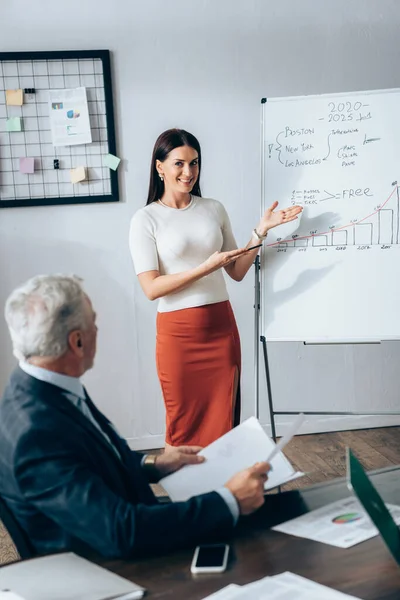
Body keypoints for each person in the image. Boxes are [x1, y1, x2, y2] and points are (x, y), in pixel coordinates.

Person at [0, 274, 271, 560]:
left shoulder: (41, 387)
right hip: (109, 566)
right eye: (93, 322)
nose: (97, 329)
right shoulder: (36, 433)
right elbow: (122, 531)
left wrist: (152, 464)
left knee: (271, 509)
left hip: (121, 530)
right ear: (76, 342)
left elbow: (83, 464)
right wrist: (230, 500)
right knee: (261, 533)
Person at [129, 128, 302, 448]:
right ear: (159, 167)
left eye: (194, 163)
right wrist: (205, 268)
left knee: (224, 425)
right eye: (179, 163)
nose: (188, 172)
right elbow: (151, 288)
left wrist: (260, 233)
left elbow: (236, 271)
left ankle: (223, 495)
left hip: (221, 330)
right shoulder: (145, 219)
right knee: (181, 426)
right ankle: (183, 497)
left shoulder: (213, 208)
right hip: (178, 335)